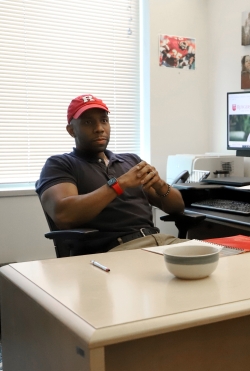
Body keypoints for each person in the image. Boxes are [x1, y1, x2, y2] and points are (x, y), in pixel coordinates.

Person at [35, 94, 186, 255]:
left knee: (214, 258)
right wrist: (119, 184)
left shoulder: (131, 160)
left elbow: (177, 208)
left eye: (104, 120)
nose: (99, 128)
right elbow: (63, 215)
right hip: (119, 250)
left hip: (162, 242)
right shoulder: (60, 164)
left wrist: (160, 185)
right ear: (71, 130)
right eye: (88, 122)